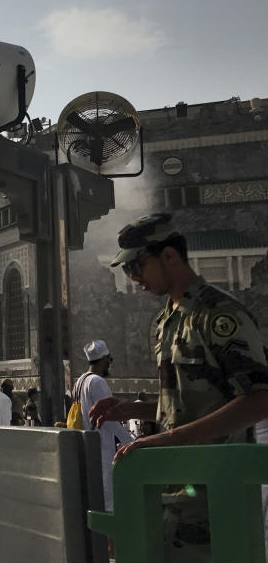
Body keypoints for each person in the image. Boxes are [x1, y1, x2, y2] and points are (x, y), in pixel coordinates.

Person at [90, 213, 268, 561]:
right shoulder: (165, 320)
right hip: (173, 493)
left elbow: (259, 399)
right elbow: (190, 398)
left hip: (218, 496)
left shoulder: (217, 315)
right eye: (128, 271)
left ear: (169, 256)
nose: (134, 278)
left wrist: (169, 439)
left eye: (137, 266)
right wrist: (133, 409)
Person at [72, 340, 132, 511]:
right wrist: (130, 441)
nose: (109, 363)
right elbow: (110, 419)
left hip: (88, 447)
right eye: (109, 359)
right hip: (103, 449)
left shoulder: (80, 381)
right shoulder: (97, 382)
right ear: (104, 359)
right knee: (109, 501)